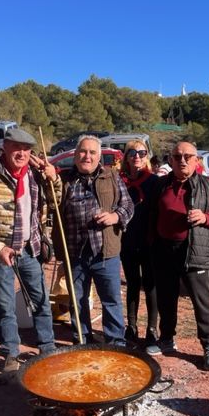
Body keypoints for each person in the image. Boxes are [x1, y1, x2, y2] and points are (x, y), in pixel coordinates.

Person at [0, 128, 59, 372]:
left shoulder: (36, 173)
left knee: (41, 301)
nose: (22, 153)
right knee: (5, 305)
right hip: (2, 252)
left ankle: (47, 346)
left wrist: (53, 177)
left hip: (30, 248)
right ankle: (11, 352)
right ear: (5, 147)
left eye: (26, 149)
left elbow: (57, 198)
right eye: (16, 148)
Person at [148, 141, 209, 371]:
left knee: (201, 302)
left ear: (196, 161)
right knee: (166, 298)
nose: (182, 160)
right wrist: (152, 242)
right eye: (177, 156)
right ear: (170, 160)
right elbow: (152, 215)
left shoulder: (207, 185)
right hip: (164, 249)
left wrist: (205, 217)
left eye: (188, 156)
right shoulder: (161, 184)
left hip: (194, 249)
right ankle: (167, 338)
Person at [53, 135, 134, 345]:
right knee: (78, 301)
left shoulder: (112, 177)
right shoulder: (63, 180)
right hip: (75, 252)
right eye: (82, 151)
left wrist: (115, 216)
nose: (86, 156)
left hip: (105, 251)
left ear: (99, 157)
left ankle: (115, 341)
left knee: (111, 301)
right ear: (75, 155)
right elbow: (50, 205)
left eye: (92, 152)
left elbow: (128, 206)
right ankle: (82, 340)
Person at [119, 139, 159, 346]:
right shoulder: (120, 181)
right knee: (133, 284)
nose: (137, 156)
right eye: (132, 152)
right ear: (126, 157)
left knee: (150, 285)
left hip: (149, 241)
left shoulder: (154, 182)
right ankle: (131, 326)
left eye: (142, 153)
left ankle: (152, 328)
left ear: (147, 157)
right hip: (127, 241)